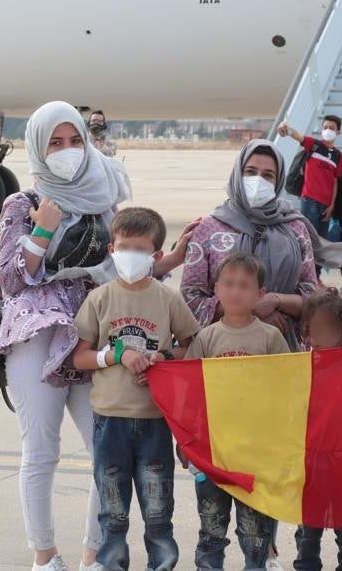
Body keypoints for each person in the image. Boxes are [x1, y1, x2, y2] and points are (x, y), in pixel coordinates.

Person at [0, 101, 196, 571]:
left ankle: (94, 554)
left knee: (106, 450)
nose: (67, 151)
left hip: (93, 336)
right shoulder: (22, 204)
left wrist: (166, 263)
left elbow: (119, 268)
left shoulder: (104, 201)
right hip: (38, 332)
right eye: (55, 143)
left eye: (75, 141)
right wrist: (41, 232)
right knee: (41, 449)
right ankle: (44, 556)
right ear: (38, 149)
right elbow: (9, 279)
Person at [69, 207, 202, 571]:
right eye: (124, 247)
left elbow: (191, 341)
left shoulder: (167, 298)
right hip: (109, 420)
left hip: (155, 419)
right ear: (112, 248)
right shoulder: (100, 299)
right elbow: (79, 357)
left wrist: (164, 360)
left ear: (157, 256)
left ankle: (161, 564)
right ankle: (112, 563)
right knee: (113, 512)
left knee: (158, 509)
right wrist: (117, 354)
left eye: (140, 249)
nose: (130, 255)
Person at [181, 139, 342, 353]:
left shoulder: (294, 227)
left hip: (282, 347)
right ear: (237, 174)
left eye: (268, 175)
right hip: (221, 350)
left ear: (278, 182)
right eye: (250, 172)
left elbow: (310, 294)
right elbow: (190, 298)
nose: (258, 180)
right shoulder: (209, 227)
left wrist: (275, 300)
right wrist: (253, 309)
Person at [182, 252, 290, 570]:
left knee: (254, 534)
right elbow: (188, 392)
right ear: (216, 289)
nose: (235, 291)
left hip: (256, 454)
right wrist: (186, 442)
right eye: (228, 284)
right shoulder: (206, 337)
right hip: (213, 454)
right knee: (211, 530)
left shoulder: (270, 337)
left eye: (244, 285)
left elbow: (286, 390)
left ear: (259, 295)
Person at [294, 291, 342, 571]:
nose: (318, 336)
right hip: (310, 459)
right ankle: (306, 566)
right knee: (309, 525)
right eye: (312, 329)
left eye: (327, 328)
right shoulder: (299, 365)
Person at [277, 116, 342, 245]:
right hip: (310, 201)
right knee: (309, 240)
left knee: (322, 243)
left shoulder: (338, 155)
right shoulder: (314, 145)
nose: (328, 130)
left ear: (338, 132)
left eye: (332, 128)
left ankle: (317, 266)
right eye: (325, 127)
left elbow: (335, 181)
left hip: (326, 206)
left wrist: (332, 206)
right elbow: (298, 136)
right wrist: (287, 129)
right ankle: (307, 265)